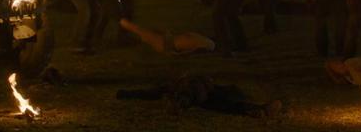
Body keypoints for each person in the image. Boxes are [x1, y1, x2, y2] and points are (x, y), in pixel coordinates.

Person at [116, 74, 282, 118]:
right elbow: (148, 93)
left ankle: (259, 110)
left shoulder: (175, 86)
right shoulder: (173, 87)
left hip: (199, 90)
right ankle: (260, 110)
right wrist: (124, 93)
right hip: (196, 91)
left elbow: (149, 93)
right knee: (223, 102)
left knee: (224, 102)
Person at [117, 17, 216, 55]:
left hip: (167, 44)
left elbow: (192, 51)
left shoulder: (208, 45)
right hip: (168, 41)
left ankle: (120, 20)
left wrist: (174, 53)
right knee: (142, 32)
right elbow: (185, 36)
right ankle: (122, 25)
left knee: (139, 31)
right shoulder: (207, 42)